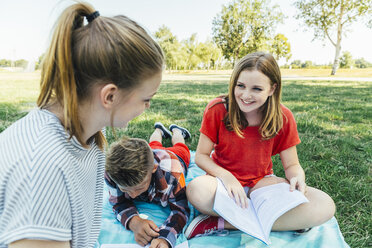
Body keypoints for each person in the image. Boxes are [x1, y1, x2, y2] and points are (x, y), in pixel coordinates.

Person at [0, 2, 164, 248]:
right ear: (109, 96)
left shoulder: (88, 135)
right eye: (146, 99)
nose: (148, 107)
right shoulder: (43, 170)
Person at [184, 52, 336, 239]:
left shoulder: (283, 117)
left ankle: (225, 223)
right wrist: (227, 177)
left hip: (262, 183)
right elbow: (201, 156)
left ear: (272, 89)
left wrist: (297, 177)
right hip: (222, 184)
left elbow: (291, 165)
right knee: (195, 190)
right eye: (240, 86)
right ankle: (279, 222)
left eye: (256, 89)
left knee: (325, 205)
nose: (246, 95)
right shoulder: (217, 109)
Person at [104, 122, 191, 248]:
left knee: (180, 145)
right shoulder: (112, 172)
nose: (132, 196)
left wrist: (165, 238)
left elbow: (181, 210)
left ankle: (177, 131)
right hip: (153, 152)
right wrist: (134, 221)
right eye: (125, 189)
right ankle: (159, 130)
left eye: (139, 188)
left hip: (177, 156)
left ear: (153, 169)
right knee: (154, 143)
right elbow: (118, 202)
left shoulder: (173, 175)